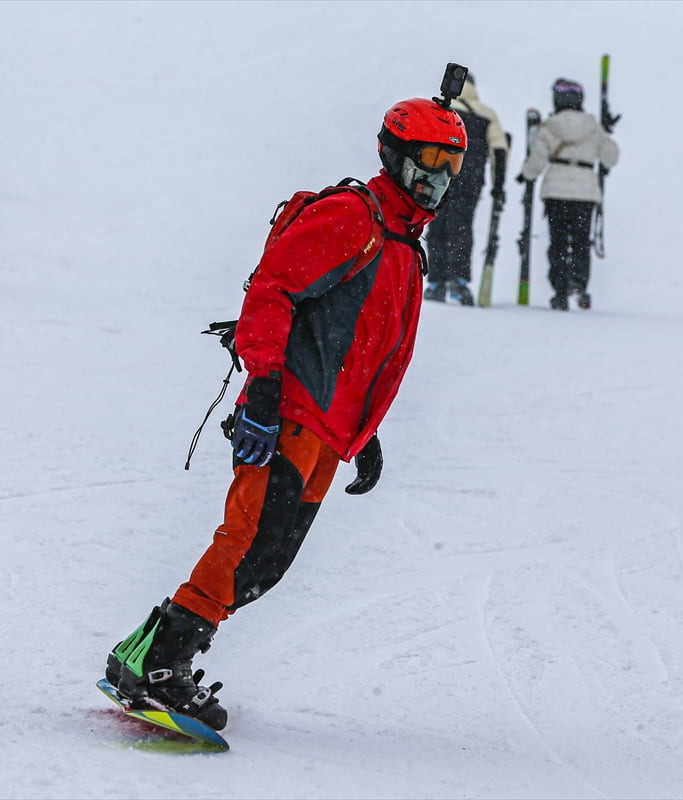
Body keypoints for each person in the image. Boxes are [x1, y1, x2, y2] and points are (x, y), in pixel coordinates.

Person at [105, 93, 468, 732]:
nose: (435, 178)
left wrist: (369, 431)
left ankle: (147, 654)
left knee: (268, 561)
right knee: (248, 540)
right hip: (289, 412)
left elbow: (369, 349)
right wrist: (266, 389)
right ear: (393, 153)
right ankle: (161, 664)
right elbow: (272, 290)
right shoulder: (354, 218)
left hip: (329, 430)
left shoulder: (405, 244)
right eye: (427, 161)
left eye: (450, 166)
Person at [517, 78, 619, 310]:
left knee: (559, 241)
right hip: (585, 190)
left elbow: (537, 160)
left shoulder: (551, 125)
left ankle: (560, 290)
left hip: (557, 191)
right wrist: (607, 131)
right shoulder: (593, 125)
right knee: (581, 241)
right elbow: (610, 158)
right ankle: (580, 285)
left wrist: (525, 175)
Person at [424, 73, 511, 306]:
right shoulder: (486, 113)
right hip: (470, 179)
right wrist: (498, 185)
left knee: (437, 224)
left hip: (441, 173)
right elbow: (499, 150)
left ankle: (436, 283)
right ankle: (459, 282)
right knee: (462, 226)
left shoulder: (444, 107)